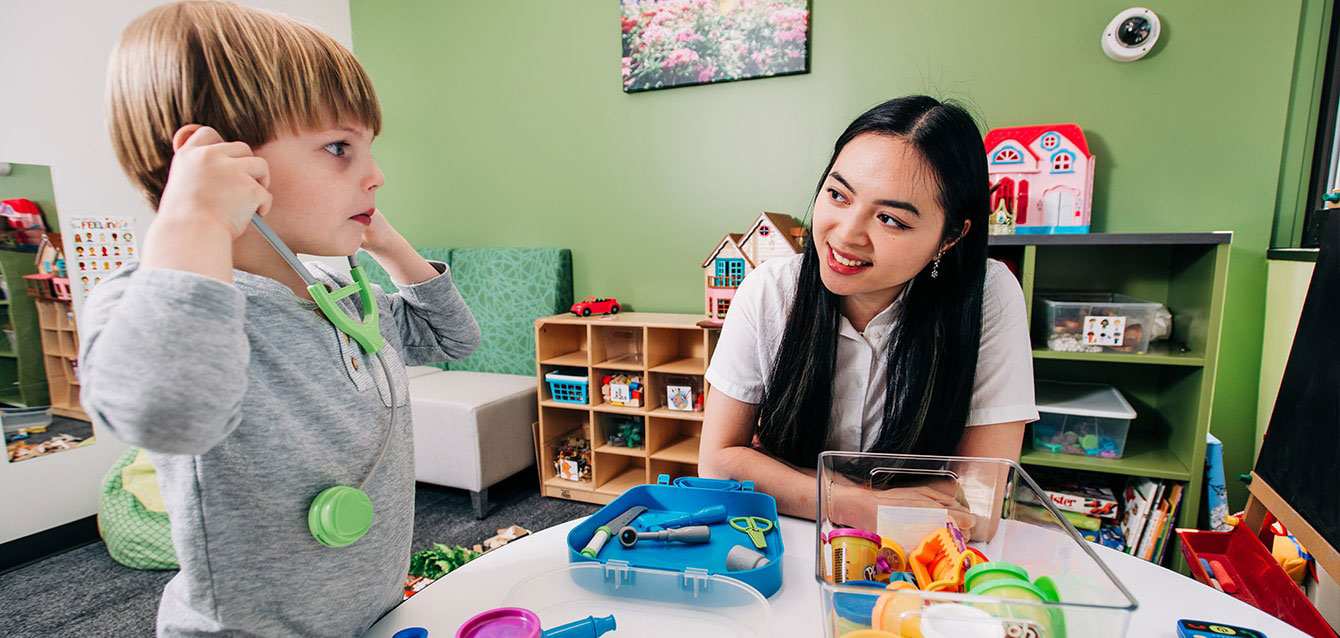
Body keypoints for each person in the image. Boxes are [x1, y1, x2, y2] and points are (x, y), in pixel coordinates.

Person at [84, 2, 480, 636]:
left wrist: (388, 245)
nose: (376, 176)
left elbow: (453, 338)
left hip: (368, 612)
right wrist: (195, 222)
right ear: (213, 159)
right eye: (339, 148)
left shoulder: (335, 296)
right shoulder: (161, 305)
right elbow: (169, 413)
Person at [699, 96, 1037, 527]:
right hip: (783, 541)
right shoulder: (771, 291)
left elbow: (978, 507)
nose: (846, 234)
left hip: (917, 557)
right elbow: (717, 466)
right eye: (838, 195)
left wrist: (789, 481)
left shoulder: (988, 295)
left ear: (950, 237)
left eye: (891, 219)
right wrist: (860, 505)